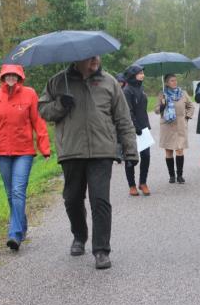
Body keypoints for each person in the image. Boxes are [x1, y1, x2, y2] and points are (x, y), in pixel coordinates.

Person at [38, 55, 138, 269]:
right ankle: (79, 235)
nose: (95, 59)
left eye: (97, 55)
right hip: (71, 151)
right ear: (77, 57)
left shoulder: (109, 82)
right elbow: (43, 110)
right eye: (90, 56)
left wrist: (131, 150)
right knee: (72, 199)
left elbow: (123, 118)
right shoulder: (58, 82)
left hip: (102, 150)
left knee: (100, 200)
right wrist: (60, 105)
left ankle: (101, 250)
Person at [0, 64, 50, 251]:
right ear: (2, 77)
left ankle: (14, 234)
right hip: (2, 153)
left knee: (18, 191)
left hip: (24, 152)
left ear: (20, 77)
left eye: (14, 75)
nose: (11, 78)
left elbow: (38, 122)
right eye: (7, 75)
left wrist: (44, 148)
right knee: (11, 194)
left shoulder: (29, 94)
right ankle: (21, 225)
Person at [155, 74, 195, 184]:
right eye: (172, 81)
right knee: (168, 151)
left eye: (175, 80)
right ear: (166, 83)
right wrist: (163, 105)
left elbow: (191, 106)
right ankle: (171, 175)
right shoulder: (162, 94)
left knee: (179, 149)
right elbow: (156, 110)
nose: (175, 82)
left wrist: (187, 116)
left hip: (180, 126)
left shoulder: (183, 93)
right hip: (167, 126)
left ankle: (180, 175)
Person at [122, 64, 151, 196]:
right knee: (131, 159)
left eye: (143, 73)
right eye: (140, 73)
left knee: (146, 156)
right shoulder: (127, 91)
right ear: (133, 75)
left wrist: (144, 126)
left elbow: (142, 110)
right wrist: (135, 127)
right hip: (131, 129)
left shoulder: (141, 88)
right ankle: (132, 185)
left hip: (144, 128)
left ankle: (143, 182)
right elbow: (128, 111)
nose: (143, 75)